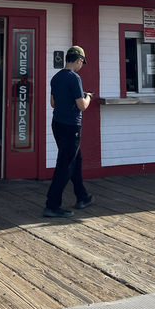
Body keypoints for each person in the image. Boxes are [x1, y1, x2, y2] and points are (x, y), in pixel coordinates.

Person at [43, 45, 94, 217]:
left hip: (57, 124)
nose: (81, 66)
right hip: (72, 126)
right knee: (65, 165)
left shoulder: (56, 78)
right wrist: (88, 97)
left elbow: (53, 103)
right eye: (82, 63)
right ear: (78, 60)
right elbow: (82, 106)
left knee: (75, 161)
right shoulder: (74, 78)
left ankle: (82, 196)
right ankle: (52, 205)